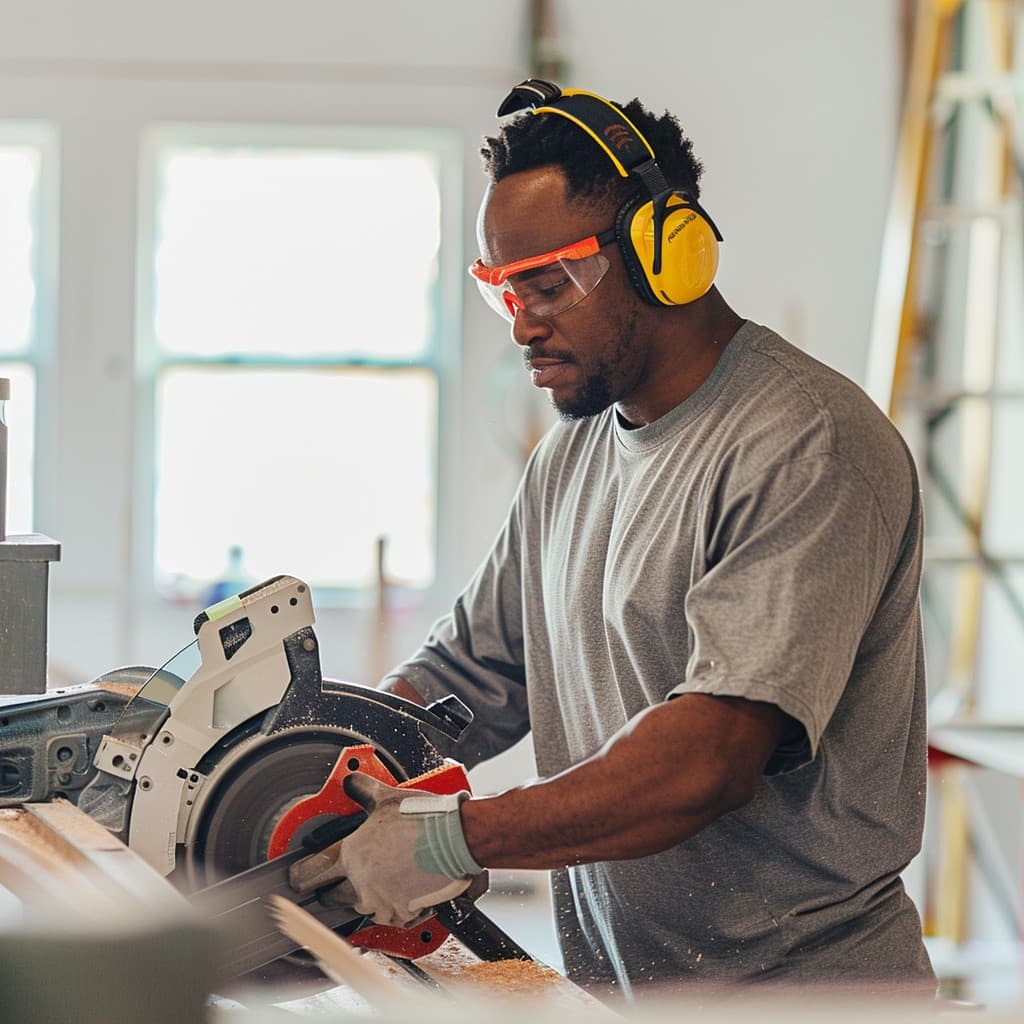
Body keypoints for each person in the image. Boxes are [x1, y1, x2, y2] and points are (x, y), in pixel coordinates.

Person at [291, 79, 936, 1001]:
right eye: (502, 290)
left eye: (549, 283)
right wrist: (330, 773)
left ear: (666, 254)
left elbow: (707, 758)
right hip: (631, 989)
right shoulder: (573, 455)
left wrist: (451, 836)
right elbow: (473, 679)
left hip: (810, 999)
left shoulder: (805, 444)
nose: (521, 322)